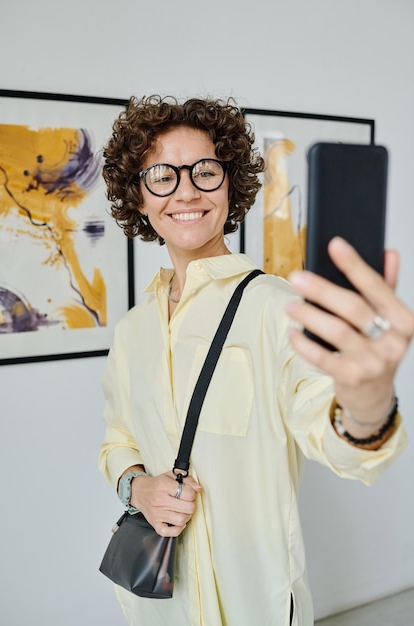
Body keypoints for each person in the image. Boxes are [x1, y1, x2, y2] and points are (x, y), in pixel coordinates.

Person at [99, 95, 413, 626]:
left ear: (231, 184)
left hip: (258, 603)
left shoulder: (278, 306)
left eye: (205, 171)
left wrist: (368, 404)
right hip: (157, 604)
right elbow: (117, 440)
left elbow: (336, 437)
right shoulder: (132, 330)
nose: (187, 191)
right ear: (139, 196)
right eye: (162, 175)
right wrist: (138, 486)